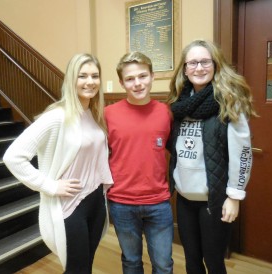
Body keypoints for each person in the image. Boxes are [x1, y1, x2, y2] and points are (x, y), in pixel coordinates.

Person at [3, 53, 114, 274]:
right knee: (76, 268)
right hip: (70, 205)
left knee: (85, 266)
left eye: (94, 76)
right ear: (71, 80)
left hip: (95, 200)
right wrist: (51, 186)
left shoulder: (93, 113)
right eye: (82, 76)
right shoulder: (57, 116)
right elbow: (13, 156)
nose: (90, 81)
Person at [167, 39, 258, 274]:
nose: (199, 68)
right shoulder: (179, 104)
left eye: (205, 61)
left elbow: (243, 153)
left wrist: (235, 196)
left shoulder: (229, 102)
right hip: (185, 199)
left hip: (214, 201)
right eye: (193, 62)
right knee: (192, 261)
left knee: (214, 262)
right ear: (185, 69)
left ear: (216, 65)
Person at [104, 51, 174, 274]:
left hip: (159, 202)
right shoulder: (107, 114)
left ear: (153, 76)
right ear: (122, 83)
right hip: (122, 202)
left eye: (142, 76)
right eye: (130, 79)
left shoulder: (166, 112)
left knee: (163, 265)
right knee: (131, 262)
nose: (137, 83)